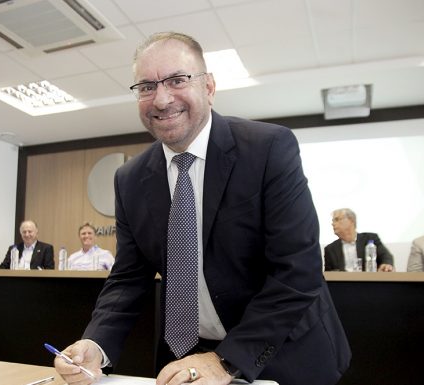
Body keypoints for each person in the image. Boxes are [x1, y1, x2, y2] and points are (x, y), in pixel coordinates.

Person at [53, 32, 350, 385]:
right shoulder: (129, 179)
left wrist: (225, 361)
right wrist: (96, 342)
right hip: (189, 358)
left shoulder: (269, 148)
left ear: (208, 86)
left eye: (177, 80)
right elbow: (129, 277)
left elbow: (298, 271)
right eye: (147, 87)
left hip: (283, 353)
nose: (161, 99)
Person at [324, 208, 394, 272]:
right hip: (342, 284)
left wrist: (386, 264)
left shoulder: (370, 239)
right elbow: (328, 274)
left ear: (351, 220)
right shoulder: (330, 249)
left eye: (336, 219)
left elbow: (385, 256)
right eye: (333, 221)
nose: (332, 224)